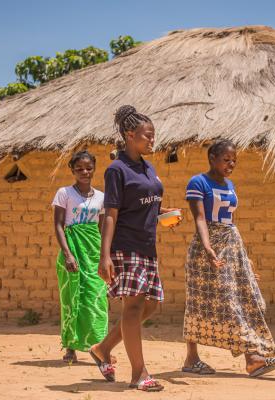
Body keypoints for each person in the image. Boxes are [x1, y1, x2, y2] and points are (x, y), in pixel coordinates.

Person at [89, 105, 180, 392]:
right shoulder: (116, 170)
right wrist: (105, 256)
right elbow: (112, 213)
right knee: (134, 307)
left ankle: (103, 349)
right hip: (126, 246)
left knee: (150, 305)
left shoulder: (147, 167)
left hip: (147, 245)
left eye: (153, 135)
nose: (153, 140)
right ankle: (139, 374)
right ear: (130, 135)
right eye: (147, 135)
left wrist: (163, 213)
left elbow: (145, 203)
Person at [182, 139, 275, 377]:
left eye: (234, 161)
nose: (231, 164)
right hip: (206, 251)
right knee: (201, 303)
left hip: (231, 248)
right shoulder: (198, 182)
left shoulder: (230, 185)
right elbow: (200, 219)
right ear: (212, 159)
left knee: (248, 299)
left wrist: (244, 261)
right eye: (226, 160)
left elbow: (231, 223)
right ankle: (248, 359)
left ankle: (253, 358)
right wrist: (208, 248)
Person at [52, 150, 109, 363]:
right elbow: (58, 225)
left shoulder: (102, 197)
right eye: (79, 169)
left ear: (94, 168)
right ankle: (70, 346)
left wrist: (106, 255)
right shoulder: (64, 193)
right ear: (72, 170)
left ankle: (99, 346)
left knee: (96, 298)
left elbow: (102, 229)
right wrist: (68, 255)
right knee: (72, 297)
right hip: (73, 250)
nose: (85, 172)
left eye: (88, 168)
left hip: (93, 252)